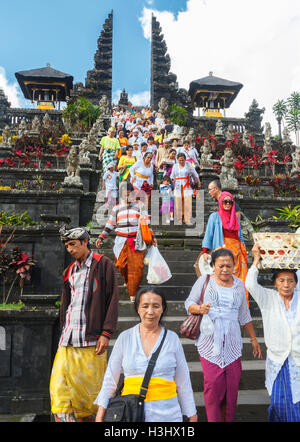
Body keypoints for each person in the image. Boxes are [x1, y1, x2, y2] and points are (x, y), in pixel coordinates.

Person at [95, 287, 198, 422]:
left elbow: (183, 380)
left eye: (156, 306)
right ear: (137, 308)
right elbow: (110, 379)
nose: (150, 312)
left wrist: (192, 414)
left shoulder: (172, 339)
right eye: (145, 306)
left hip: (168, 414)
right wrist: (100, 414)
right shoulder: (125, 338)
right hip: (131, 413)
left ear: (162, 308)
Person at [49, 227, 119, 422]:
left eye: (73, 244)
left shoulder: (102, 264)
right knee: (59, 392)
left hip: (91, 341)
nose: (69, 249)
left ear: (85, 242)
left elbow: (113, 298)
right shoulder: (69, 271)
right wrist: (63, 329)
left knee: (90, 400)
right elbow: (66, 304)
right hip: (67, 340)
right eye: (66, 246)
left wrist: (106, 333)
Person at [185, 248, 262, 422]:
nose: (225, 269)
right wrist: (199, 308)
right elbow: (189, 303)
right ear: (213, 266)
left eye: (229, 265)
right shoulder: (204, 281)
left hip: (233, 342)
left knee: (232, 389)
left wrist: (253, 339)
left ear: (234, 266)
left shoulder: (239, 284)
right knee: (213, 387)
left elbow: (244, 314)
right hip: (210, 342)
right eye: (221, 266)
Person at [245, 243, 300, 422]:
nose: (286, 284)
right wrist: (256, 260)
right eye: (281, 280)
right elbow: (250, 284)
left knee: (297, 404)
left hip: (298, 360)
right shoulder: (268, 298)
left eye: (290, 280)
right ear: (275, 282)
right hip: (278, 360)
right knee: (278, 403)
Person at [96, 183, 157, 303]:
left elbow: (147, 224)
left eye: (129, 194)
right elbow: (110, 224)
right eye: (125, 195)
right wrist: (101, 237)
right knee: (120, 264)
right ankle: (129, 282)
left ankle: (133, 293)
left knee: (137, 268)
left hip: (136, 241)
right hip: (121, 240)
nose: (127, 197)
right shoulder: (116, 208)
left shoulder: (140, 206)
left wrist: (153, 237)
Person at [202, 191, 248, 303]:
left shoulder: (236, 219)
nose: (227, 204)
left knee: (240, 279)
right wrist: (205, 251)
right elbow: (209, 234)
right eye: (225, 201)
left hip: (237, 252)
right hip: (222, 251)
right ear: (220, 202)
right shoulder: (214, 217)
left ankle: (239, 305)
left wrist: (244, 250)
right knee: (223, 277)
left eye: (230, 202)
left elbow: (240, 236)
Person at [170, 152, 200, 226]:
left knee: (187, 203)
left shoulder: (189, 165)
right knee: (178, 203)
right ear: (177, 160)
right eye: (180, 160)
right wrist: (171, 181)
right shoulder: (175, 166)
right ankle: (179, 219)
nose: (181, 161)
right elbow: (172, 176)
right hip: (177, 186)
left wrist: (198, 182)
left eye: (182, 160)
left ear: (185, 159)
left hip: (187, 186)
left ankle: (187, 219)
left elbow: (195, 174)